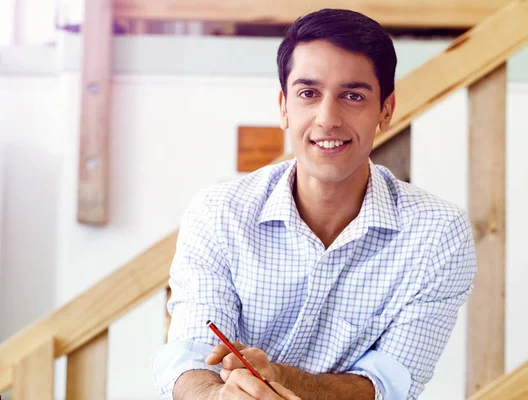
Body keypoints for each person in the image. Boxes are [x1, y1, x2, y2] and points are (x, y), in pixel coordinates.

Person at [152, 8, 477, 400]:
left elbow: (390, 384)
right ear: (284, 107)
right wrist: (218, 396)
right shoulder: (218, 213)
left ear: (386, 111)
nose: (328, 118)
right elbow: (188, 357)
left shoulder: (438, 233)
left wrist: (280, 378)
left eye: (353, 96)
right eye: (308, 93)